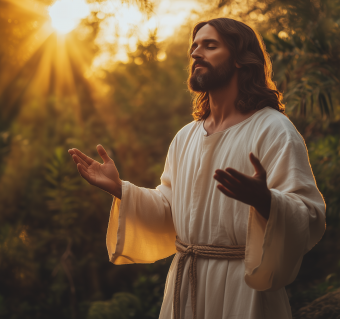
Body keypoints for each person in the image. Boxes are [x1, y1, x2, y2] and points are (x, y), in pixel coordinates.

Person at [68, 18, 326, 319]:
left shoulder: (273, 129)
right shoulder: (186, 136)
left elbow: (308, 215)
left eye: (210, 45)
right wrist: (120, 189)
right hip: (185, 284)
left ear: (242, 59)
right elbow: (168, 209)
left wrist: (267, 201)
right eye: (194, 46)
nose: (195, 53)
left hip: (244, 290)